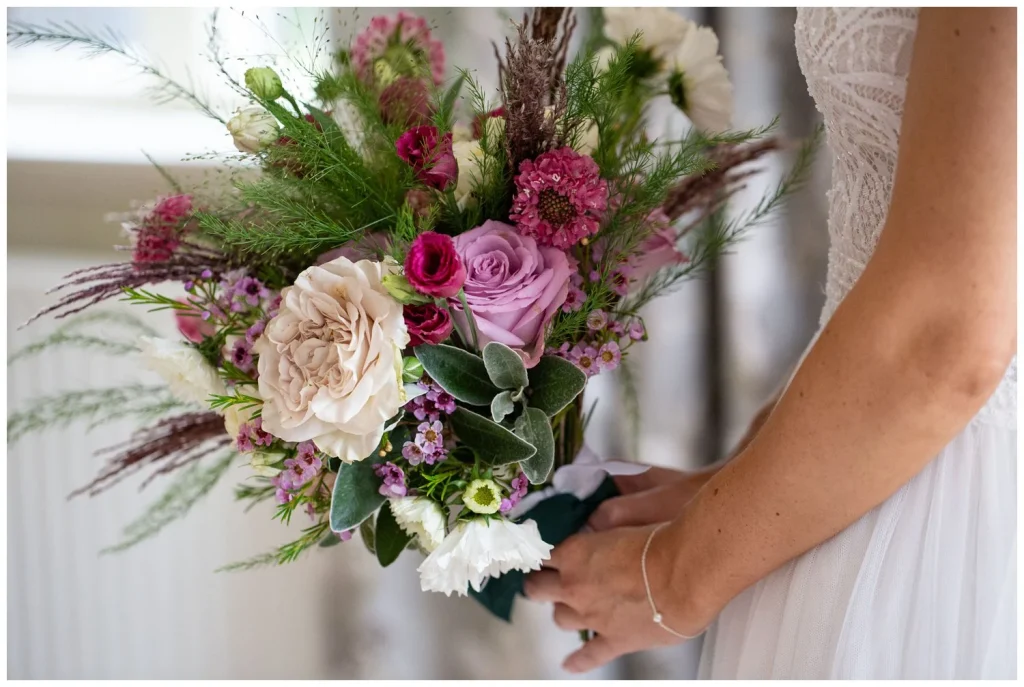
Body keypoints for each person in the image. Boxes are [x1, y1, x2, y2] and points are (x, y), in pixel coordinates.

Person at [524, 7, 1017, 678]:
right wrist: (740, 483)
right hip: (864, 464)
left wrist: (675, 574)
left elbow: (947, 332)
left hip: (951, 523)